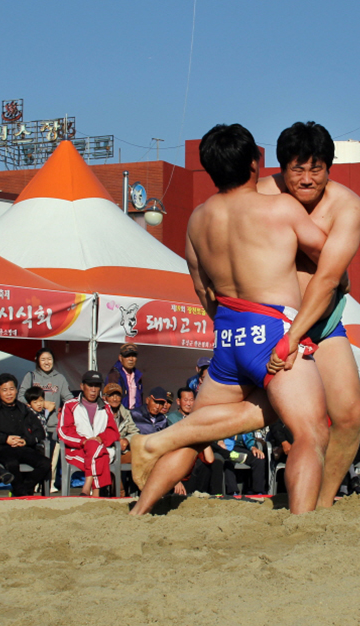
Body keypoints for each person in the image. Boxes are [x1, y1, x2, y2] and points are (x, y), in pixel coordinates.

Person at [129, 122, 330, 516]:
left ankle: (141, 510)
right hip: (271, 329)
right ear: (256, 163)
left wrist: (227, 322)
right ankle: (303, 523)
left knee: (199, 431)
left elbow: (203, 288)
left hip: (227, 334)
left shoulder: (198, 220)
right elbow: (329, 258)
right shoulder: (281, 208)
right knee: (311, 430)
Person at [259, 121, 360, 507]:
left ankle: (322, 503)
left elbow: (326, 281)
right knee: (249, 411)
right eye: (297, 169)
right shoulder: (260, 194)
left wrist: (295, 336)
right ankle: (163, 447)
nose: (306, 179)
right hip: (268, 320)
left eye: (316, 169)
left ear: (329, 168)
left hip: (320, 319)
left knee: (350, 415)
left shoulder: (346, 205)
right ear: (282, 168)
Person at [58, 371, 120, 497]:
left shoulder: (106, 407)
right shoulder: (70, 405)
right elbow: (64, 431)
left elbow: (113, 431)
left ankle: (88, 483)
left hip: (100, 447)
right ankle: (97, 493)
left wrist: (100, 439)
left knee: (96, 448)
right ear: (82, 386)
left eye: (97, 386)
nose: (93, 389)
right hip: (77, 450)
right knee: (99, 455)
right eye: (90, 385)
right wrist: (83, 441)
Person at [0, 374, 50, 496]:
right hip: (3, 448)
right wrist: (6, 439)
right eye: (4, 390)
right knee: (12, 463)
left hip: (24, 447)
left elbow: (40, 431)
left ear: (16, 390)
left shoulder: (24, 409)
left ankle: (20, 491)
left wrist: (27, 440)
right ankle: (23, 493)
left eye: (12, 389)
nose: (9, 393)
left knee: (45, 463)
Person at [102, 382, 141, 497]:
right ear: (105, 397)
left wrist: (127, 440)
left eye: (117, 395)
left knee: (140, 457)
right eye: (111, 395)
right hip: (105, 452)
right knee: (114, 464)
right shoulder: (100, 412)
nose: (115, 398)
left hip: (121, 452)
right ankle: (120, 495)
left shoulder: (125, 413)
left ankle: (140, 492)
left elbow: (135, 432)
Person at [17, 348, 74, 425]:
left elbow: (68, 399)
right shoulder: (30, 376)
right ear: (37, 361)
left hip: (54, 426)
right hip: (34, 424)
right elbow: (21, 398)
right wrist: (42, 404)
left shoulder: (60, 378)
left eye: (49, 359)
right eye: (43, 359)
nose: (47, 362)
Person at [106, 343, 144, 411]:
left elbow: (140, 398)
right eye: (127, 356)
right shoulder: (115, 375)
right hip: (120, 413)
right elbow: (110, 399)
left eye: (134, 356)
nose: (131, 359)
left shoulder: (138, 375)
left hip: (135, 414)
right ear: (120, 358)